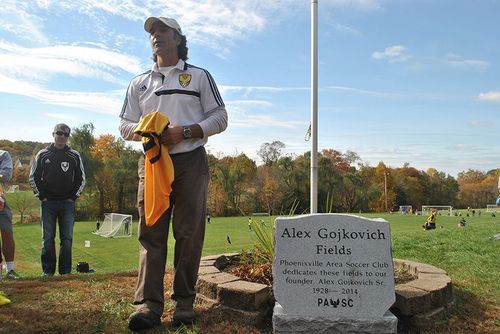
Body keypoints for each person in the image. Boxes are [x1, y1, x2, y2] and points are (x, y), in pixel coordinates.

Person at [119, 17, 227, 331]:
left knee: (189, 233)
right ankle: (147, 307)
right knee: (151, 232)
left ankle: (183, 304)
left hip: (191, 161)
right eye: (152, 32)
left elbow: (220, 117)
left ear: (178, 38)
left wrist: (188, 131)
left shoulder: (198, 76)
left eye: (163, 30)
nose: (156, 35)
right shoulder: (139, 82)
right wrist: (146, 132)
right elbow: (124, 124)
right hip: (153, 162)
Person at [29, 124, 86, 276]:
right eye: (59, 133)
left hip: (67, 204)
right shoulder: (43, 154)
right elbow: (33, 177)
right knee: (47, 238)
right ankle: (47, 272)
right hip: (48, 203)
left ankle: (65, 271)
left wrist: (73, 197)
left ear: (68, 137)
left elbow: (81, 179)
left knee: (66, 238)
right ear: (53, 134)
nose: (62, 136)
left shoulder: (74, 155)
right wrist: (42, 196)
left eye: (65, 134)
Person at [0, 150, 19, 279]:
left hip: (0, 200)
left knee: (7, 232)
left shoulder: (3, 154)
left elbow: (6, 175)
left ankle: (10, 270)